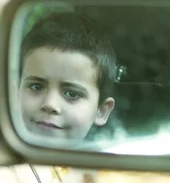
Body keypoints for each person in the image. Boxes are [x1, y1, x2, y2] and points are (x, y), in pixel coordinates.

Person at [18, 11, 117, 145]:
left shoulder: (104, 166)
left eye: (72, 94)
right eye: (37, 86)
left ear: (101, 111)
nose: (50, 104)